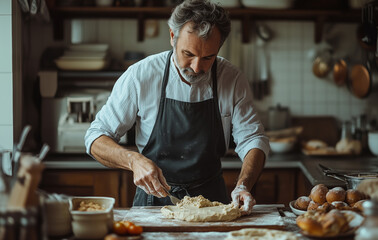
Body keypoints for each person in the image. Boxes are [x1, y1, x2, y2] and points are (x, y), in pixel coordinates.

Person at [84, 0, 269, 215]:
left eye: (208, 57)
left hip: (212, 205)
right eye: (188, 54)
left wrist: (243, 185)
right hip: (152, 203)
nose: (197, 67)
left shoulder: (231, 78)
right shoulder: (141, 76)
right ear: (172, 36)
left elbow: (253, 139)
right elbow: (96, 137)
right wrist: (133, 160)